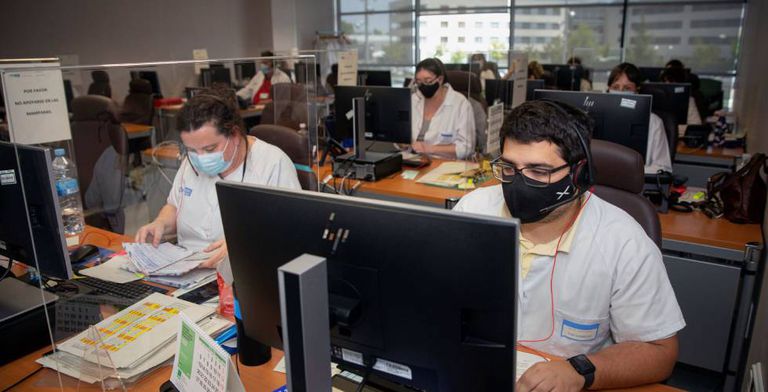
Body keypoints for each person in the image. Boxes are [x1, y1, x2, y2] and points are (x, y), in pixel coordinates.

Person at [453, 100, 684, 391]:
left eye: (539, 171)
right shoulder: (473, 209)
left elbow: (660, 353)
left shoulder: (623, 242)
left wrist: (580, 371)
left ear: (579, 174)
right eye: (509, 168)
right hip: (477, 370)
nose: (519, 183)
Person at [135, 88, 301, 274]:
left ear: (235, 135)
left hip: (244, 272)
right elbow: (174, 206)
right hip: (186, 268)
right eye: (192, 149)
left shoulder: (272, 164)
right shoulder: (191, 162)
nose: (200, 158)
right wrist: (160, 224)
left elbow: (290, 234)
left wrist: (244, 247)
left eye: (210, 148)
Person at [608, 63, 673, 174]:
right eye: (615, 87)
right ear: (608, 88)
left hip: (637, 184)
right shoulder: (593, 117)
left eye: (627, 88)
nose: (620, 92)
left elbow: (664, 168)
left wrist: (627, 171)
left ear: (637, 90)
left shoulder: (654, 122)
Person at [411, 58, 476, 160]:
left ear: (440, 79)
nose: (423, 86)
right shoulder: (414, 99)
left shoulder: (460, 104)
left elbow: (466, 148)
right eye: (419, 82)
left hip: (444, 164)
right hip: (413, 161)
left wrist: (430, 148)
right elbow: (400, 134)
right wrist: (401, 143)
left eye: (427, 81)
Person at [661, 61, 703, 126]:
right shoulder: (656, 98)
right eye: (665, 82)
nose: (667, 84)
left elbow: (696, 125)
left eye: (670, 81)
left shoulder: (688, 100)